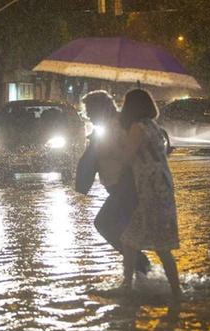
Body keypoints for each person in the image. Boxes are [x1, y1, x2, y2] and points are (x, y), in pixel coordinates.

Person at [76, 90, 151, 275]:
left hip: (126, 188)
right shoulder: (103, 128)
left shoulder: (120, 125)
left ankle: (141, 267)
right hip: (118, 189)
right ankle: (137, 275)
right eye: (88, 114)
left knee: (105, 223)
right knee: (123, 230)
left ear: (101, 109)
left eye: (91, 113)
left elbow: (131, 154)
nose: (90, 118)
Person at [119, 89, 181, 299]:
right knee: (131, 240)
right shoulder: (154, 126)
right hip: (162, 187)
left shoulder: (137, 128)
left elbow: (127, 158)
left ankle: (176, 292)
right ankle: (129, 286)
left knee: (160, 247)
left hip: (149, 191)